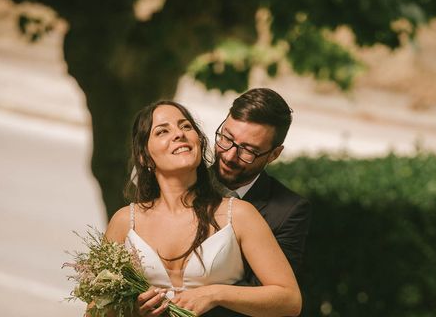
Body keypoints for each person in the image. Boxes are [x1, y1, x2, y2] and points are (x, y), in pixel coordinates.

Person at [104, 100, 301, 317]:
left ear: (199, 141)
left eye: (186, 126)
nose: (179, 133)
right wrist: (131, 311)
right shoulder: (124, 222)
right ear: (145, 157)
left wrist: (215, 293)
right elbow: (95, 310)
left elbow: (289, 300)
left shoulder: (240, 215)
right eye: (162, 131)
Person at [212, 88, 311, 284]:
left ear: (274, 155)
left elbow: (268, 294)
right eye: (226, 138)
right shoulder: (184, 181)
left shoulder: (289, 212)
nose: (229, 156)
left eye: (248, 150)